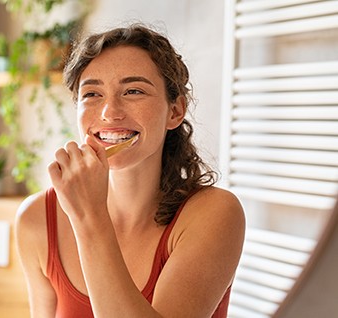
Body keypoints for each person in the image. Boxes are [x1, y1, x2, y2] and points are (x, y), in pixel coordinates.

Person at [15, 23, 245, 318]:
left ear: (174, 111)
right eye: (92, 94)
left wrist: (89, 216)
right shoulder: (37, 218)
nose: (110, 112)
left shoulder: (214, 214)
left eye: (133, 91)